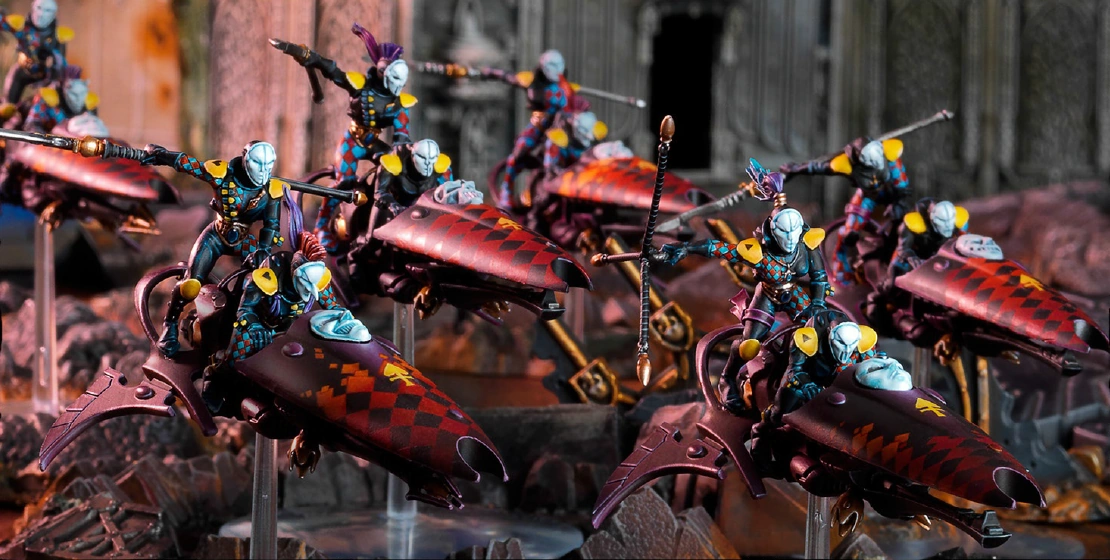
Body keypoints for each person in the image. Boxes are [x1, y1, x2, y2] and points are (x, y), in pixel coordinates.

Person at [659, 159, 831, 363]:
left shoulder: (807, 244)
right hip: (766, 297)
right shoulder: (759, 252)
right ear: (773, 231)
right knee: (748, 346)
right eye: (784, 232)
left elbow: (819, 277)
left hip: (794, 293)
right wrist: (687, 248)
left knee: (819, 333)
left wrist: (818, 303)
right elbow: (720, 249)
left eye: (794, 232)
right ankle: (729, 377)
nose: (790, 239)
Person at [139, 141, 292, 357]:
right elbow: (188, 164)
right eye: (258, 163)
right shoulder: (223, 174)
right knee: (191, 285)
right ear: (245, 159)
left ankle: (253, 330)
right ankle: (170, 325)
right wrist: (161, 156)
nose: (263, 171)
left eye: (269, 165)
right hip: (216, 236)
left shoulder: (271, 191)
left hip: (244, 240)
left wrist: (264, 249)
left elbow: (271, 225)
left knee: (266, 282)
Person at [272, 23, 414, 253]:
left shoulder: (399, 104)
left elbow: (401, 137)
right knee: (343, 184)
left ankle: (395, 224)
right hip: (352, 141)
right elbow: (333, 72)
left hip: (374, 143)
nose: (399, 85)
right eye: (396, 79)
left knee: (398, 174)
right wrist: (311, 58)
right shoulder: (361, 86)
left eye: (402, 81)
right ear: (384, 74)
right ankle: (322, 228)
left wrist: (401, 157)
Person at [780, 136, 911, 285]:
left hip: (893, 194)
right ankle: (843, 274)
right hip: (867, 196)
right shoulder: (847, 165)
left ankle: (898, 267)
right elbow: (818, 167)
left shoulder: (890, 155)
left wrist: (898, 202)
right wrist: (795, 169)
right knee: (848, 234)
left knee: (903, 230)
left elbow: (901, 184)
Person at [498, 49, 573, 209]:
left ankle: (553, 190)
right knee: (517, 154)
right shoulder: (532, 81)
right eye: (552, 66)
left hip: (558, 130)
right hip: (538, 125)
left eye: (559, 66)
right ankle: (506, 191)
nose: (556, 70)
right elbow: (504, 76)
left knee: (561, 156)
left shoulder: (565, 88)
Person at [0, 0, 71, 107]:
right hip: (23, 70)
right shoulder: (21, 26)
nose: (41, 14)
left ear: (53, 14)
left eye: (47, 10)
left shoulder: (58, 35)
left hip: (46, 74)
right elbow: (4, 23)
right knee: (8, 103)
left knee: (50, 101)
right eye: (39, 8)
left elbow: (60, 64)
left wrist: (53, 79)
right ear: (33, 7)